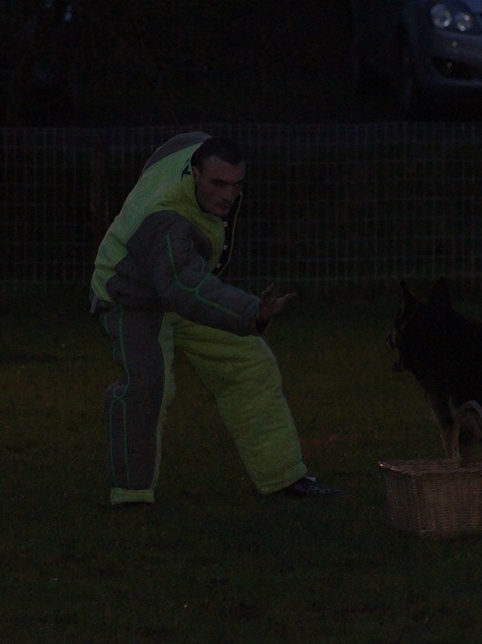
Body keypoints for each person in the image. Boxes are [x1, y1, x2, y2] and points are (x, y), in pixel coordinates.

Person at [90, 132, 343, 505]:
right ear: (194, 174)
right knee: (148, 387)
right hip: (130, 293)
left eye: (237, 185)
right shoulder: (166, 222)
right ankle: (131, 495)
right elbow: (184, 289)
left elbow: (173, 148)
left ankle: (286, 479)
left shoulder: (194, 150)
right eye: (218, 184)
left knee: (251, 364)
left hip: (176, 279)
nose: (228, 195)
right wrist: (251, 311)